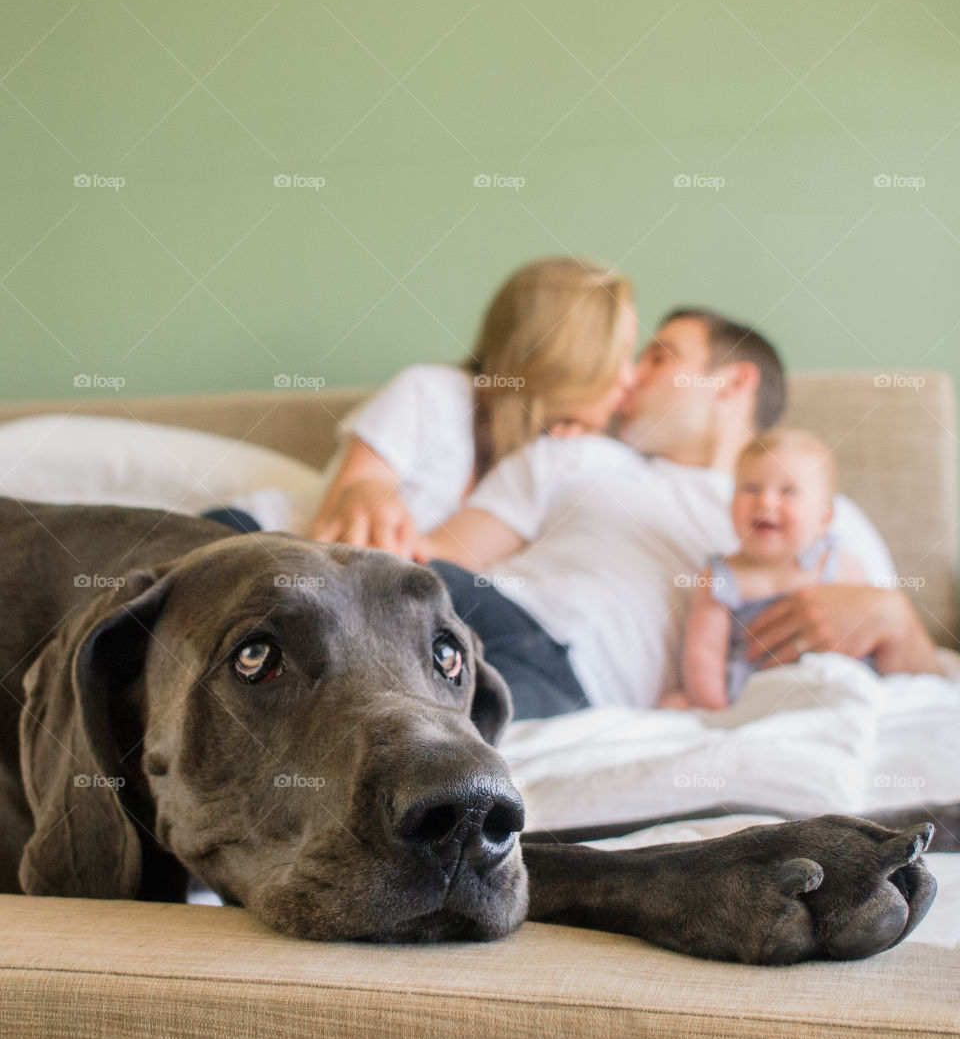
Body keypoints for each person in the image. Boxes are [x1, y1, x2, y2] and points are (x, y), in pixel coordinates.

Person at [419, 309, 942, 719]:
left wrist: (897, 623)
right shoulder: (573, 455)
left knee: (434, 731)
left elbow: (922, 699)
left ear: (734, 382)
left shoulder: (826, 517)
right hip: (472, 609)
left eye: (659, 357)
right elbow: (428, 563)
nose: (628, 377)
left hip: (567, 679)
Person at [309, 257, 638, 558]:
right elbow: (356, 491)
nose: (630, 377)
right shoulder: (430, 392)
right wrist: (366, 492)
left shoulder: (566, 456)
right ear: (564, 354)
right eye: (619, 354)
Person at [660, 428, 868, 712]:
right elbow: (704, 653)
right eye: (750, 488)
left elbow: (866, 632)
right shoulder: (722, 578)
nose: (765, 501)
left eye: (789, 491)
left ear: (825, 518)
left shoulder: (839, 566)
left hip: (825, 689)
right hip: (750, 698)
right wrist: (713, 708)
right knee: (673, 706)